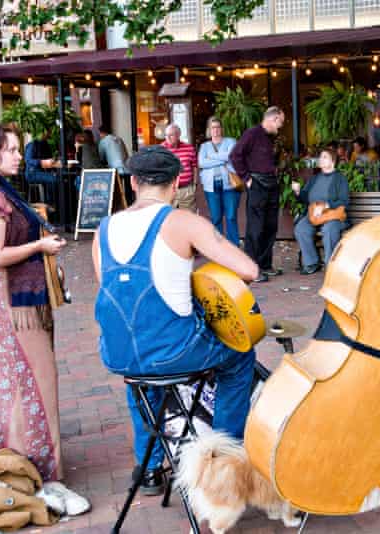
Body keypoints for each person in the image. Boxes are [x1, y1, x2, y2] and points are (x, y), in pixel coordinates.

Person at [92, 146, 258, 495]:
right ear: (178, 181)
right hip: (175, 350)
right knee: (240, 360)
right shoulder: (183, 222)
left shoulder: (103, 229)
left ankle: (149, 468)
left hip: (117, 353)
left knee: (140, 374)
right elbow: (249, 270)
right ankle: (220, 462)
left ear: (134, 182)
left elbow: (111, 290)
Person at [0, 123, 80, 501]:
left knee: (18, 381)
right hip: (4, 302)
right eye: (11, 150)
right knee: (31, 380)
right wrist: (40, 247)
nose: (19, 156)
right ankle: (27, 464)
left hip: (4, 299)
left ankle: (25, 461)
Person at [230, 106, 286, 283]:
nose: (281, 126)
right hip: (257, 184)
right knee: (255, 228)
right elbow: (235, 155)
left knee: (270, 226)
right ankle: (252, 269)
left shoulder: (272, 138)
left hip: (271, 184)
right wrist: (246, 178)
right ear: (273, 119)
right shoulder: (252, 133)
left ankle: (265, 265)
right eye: (281, 122)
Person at [292, 148, 349, 275]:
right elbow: (305, 198)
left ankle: (331, 265)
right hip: (314, 215)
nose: (320, 159)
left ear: (333, 161)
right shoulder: (315, 178)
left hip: (333, 216)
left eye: (324, 157)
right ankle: (312, 262)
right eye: (320, 157)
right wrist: (298, 192)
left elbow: (344, 201)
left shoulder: (340, 179)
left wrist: (326, 206)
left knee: (329, 230)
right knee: (301, 229)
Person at [198, 117, 240, 245]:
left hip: (229, 185)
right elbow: (201, 163)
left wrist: (211, 157)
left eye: (217, 127)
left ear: (221, 129)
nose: (215, 130)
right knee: (216, 218)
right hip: (211, 186)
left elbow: (231, 156)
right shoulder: (204, 146)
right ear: (209, 130)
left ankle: (233, 246)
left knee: (231, 217)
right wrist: (223, 159)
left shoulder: (231, 142)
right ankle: (219, 247)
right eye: (212, 128)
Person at [161, 124, 199, 212]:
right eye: (166, 135)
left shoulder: (189, 148)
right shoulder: (161, 150)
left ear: (178, 135)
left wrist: (195, 184)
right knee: (169, 219)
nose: (168, 137)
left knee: (188, 218)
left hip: (186, 190)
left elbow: (195, 167)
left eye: (171, 135)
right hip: (168, 190)